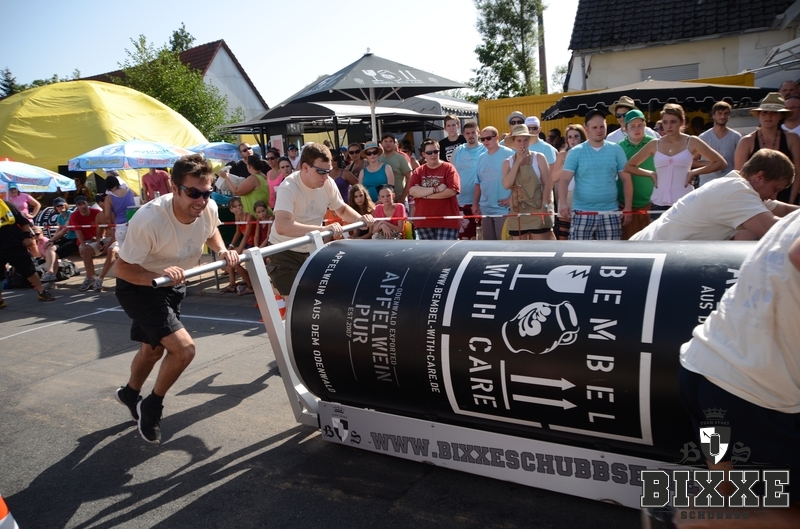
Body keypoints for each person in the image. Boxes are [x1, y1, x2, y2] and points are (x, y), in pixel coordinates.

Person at [675, 209, 800, 527]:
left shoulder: (793, 219)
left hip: (704, 373)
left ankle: (705, 517)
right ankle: (694, 521)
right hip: (751, 392)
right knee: (782, 510)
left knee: (725, 488)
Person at [114, 154, 238, 444]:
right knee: (184, 350)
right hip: (139, 286)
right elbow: (122, 269)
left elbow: (211, 231)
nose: (201, 200)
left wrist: (221, 250)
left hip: (172, 285)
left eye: (207, 193)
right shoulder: (149, 220)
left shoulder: (207, 208)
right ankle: (152, 405)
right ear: (174, 188)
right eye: (193, 193)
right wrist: (157, 274)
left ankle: (130, 394)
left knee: (152, 351)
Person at [268, 143, 373, 303]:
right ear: (305, 167)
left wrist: (361, 219)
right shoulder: (288, 187)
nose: (325, 176)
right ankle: (275, 286)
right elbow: (282, 226)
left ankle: (276, 287)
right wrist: (323, 230)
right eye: (321, 172)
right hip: (284, 251)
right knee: (296, 303)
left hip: (311, 248)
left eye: (328, 171)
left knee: (318, 298)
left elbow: (341, 209)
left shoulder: (328, 183)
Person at [631, 149, 799, 241]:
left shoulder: (739, 188)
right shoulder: (736, 192)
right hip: (646, 255)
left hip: (649, 251)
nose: (774, 196)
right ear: (759, 177)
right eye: (775, 189)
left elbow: (785, 210)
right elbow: (774, 229)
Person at [625, 104, 726, 216]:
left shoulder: (692, 141)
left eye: (673, 122)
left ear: (682, 122)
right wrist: (651, 174)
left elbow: (721, 163)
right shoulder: (655, 144)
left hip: (685, 201)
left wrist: (694, 172)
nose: (669, 126)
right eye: (665, 122)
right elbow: (629, 166)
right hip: (658, 201)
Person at [559, 110, 632, 240]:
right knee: (578, 251)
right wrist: (563, 204)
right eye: (594, 127)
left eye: (602, 126)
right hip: (582, 211)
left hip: (610, 212)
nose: (599, 130)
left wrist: (628, 207)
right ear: (586, 129)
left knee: (610, 252)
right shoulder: (576, 152)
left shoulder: (616, 150)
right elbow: (564, 180)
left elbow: (626, 180)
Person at [735, 92, 800, 204]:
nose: (768, 116)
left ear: (781, 116)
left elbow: (798, 172)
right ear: (759, 115)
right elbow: (741, 175)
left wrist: (790, 201)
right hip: (755, 199)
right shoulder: (747, 141)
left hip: (785, 196)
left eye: (774, 113)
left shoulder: (792, 138)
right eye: (764, 112)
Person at [501, 124, 554, 240]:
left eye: (525, 140)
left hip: (538, 207)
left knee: (541, 248)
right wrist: (517, 162)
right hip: (517, 210)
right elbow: (506, 185)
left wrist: (545, 206)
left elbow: (547, 184)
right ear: (513, 142)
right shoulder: (507, 162)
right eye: (519, 140)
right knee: (519, 249)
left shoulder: (539, 157)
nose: (523, 144)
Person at [0, 198, 56, 307]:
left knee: (29, 270)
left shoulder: (6, 205)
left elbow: (24, 222)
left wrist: (27, 236)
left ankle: (41, 291)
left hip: (14, 245)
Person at [408, 138, 461, 240]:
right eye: (429, 152)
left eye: (436, 151)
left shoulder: (449, 168)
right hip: (423, 222)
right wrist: (436, 189)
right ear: (423, 154)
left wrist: (425, 195)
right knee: (428, 251)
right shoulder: (418, 171)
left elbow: (452, 191)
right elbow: (412, 191)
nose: (433, 155)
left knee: (445, 250)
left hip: (447, 221)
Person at [616, 109, 657, 239]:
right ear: (625, 128)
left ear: (645, 126)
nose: (637, 129)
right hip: (626, 206)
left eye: (640, 125)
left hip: (652, 204)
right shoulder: (619, 148)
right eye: (632, 126)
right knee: (629, 243)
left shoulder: (655, 144)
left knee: (651, 243)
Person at [97, 175, 137, 291]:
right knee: (136, 252)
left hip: (120, 226)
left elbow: (107, 215)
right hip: (134, 224)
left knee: (124, 255)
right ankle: (136, 278)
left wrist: (112, 225)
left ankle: (126, 281)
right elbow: (140, 201)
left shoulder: (109, 197)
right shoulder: (129, 190)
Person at [474, 126, 514, 240]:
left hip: (503, 208)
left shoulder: (509, 154)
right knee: (488, 243)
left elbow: (519, 178)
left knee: (503, 243)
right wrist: (475, 203)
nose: (485, 141)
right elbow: (478, 182)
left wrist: (511, 198)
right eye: (482, 139)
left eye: (488, 138)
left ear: (496, 137)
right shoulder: (481, 157)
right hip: (485, 208)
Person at [70, 195, 114, 292]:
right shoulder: (99, 215)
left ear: (88, 203)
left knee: (112, 250)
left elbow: (118, 233)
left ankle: (100, 279)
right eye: (79, 204)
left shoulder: (115, 213)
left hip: (116, 239)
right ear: (98, 203)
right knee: (85, 250)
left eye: (84, 203)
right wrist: (98, 241)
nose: (82, 206)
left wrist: (103, 241)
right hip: (94, 240)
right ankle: (90, 277)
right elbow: (80, 232)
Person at [451, 121, 486, 240]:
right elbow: (451, 173)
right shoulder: (457, 151)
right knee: (465, 240)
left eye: (473, 132)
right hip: (461, 201)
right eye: (468, 133)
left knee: (485, 238)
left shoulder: (485, 149)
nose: (471, 135)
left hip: (483, 201)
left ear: (478, 133)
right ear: (463, 135)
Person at [551, 124, 586, 240]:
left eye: (576, 136)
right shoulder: (562, 155)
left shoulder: (588, 153)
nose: (573, 140)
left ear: (582, 138)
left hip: (584, 196)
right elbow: (554, 177)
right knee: (563, 233)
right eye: (569, 137)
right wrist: (568, 160)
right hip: (567, 195)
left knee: (582, 233)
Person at [696, 101, 741, 187]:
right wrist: (712, 163)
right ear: (713, 115)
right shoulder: (703, 137)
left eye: (726, 113)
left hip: (728, 182)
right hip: (707, 183)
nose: (723, 116)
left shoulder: (736, 137)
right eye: (719, 113)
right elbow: (693, 161)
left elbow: (740, 162)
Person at [221, 196, 255, 295]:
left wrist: (239, 250)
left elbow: (247, 236)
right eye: (235, 206)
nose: (238, 207)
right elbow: (238, 232)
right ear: (231, 210)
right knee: (229, 257)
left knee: (235, 262)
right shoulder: (237, 217)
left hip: (253, 245)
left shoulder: (249, 216)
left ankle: (251, 286)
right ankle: (232, 284)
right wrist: (231, 246)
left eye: (239, 205)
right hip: (247, 244)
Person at [41, 197, 78, 282]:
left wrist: (51, 240)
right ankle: (50, 273)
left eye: (62, 205)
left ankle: (51, 276)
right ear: (55, 208)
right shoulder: (59, 217)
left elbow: (64, 230)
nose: (61, 207)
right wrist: (52, 241)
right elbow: (58, 230)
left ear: (66, 205)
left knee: (55, 254)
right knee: (50, 248)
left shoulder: (71, 214)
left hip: (75, 238)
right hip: (67, 238)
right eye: (58, 206)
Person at [378, 134, 413, 203]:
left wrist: (402, 198)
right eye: (386, 141)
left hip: (398, 200)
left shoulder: (401, 158)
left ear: (394, 143)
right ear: (381, 143)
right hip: (381, 201)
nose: (388, 143)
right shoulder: (377, 159)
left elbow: (410, 177)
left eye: (390, 141)